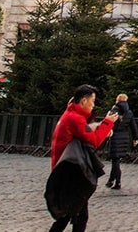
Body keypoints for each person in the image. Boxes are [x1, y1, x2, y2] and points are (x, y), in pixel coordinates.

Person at [47, 84, 118, 232]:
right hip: (72, 173)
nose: (93, 105)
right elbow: (94, 140)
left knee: (74, 215)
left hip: (67, 171)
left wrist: (102, 125)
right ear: (84, 101)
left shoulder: (69, 115)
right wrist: (107, 123)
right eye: (92, 101)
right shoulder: (75, 118)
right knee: (74, 216)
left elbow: (85, 129)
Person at [104, 93, 138, 190]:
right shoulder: (129, 112)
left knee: (115, 160)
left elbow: (109, 122)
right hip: (124, 137)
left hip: (115, 136)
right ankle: (111, 180)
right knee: (116, 160)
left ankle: (117, 182)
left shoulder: (114, 110)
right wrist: (135, 138)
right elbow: (133, 126)